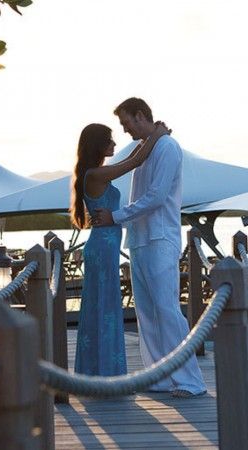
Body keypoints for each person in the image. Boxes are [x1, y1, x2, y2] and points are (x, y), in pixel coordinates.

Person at [91, 98, 207, 397]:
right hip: (140, 240)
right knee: (147, 312)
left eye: (127, 123)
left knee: (167, 310)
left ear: (141, 116)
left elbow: (156, 196)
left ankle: (190, 381)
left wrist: (115, 217)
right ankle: (159, 377)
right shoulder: (146, 147)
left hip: (160, 238)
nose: (125, 129)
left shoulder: (167, 148)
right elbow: (138, 178)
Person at [69, 122, 169, 376]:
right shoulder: (94, 174)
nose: (115, 144)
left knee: (105, 305)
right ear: (99, 145)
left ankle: (100, 370)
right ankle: (103, 372)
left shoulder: (96, 172)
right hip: (102, 247)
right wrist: (156, 136)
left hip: (106, 246)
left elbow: (134, 158)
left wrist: (148, 141)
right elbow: (132, 163)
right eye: (110, 140)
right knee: (103, 307)